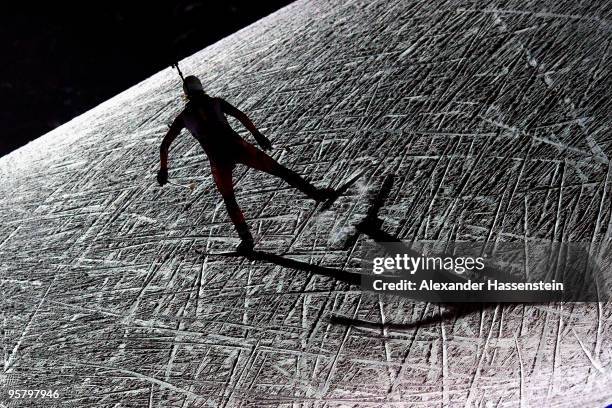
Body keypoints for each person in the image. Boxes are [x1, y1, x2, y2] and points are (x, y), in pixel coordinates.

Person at [157, 75, 334, 253]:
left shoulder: (184, 117)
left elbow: (164, 145)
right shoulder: (215, 103)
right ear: (201, 88)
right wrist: (257, 135)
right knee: (280, 171)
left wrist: (164, 169)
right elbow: (240, 115)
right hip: (238, 148)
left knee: (229, 199)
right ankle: (315, 193)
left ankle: (246, 240)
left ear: (186, 94)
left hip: (218, 160)